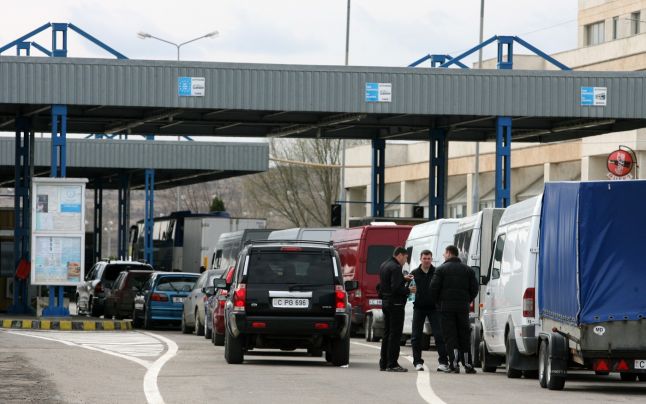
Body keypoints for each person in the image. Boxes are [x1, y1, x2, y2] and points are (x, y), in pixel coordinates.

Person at [430, 245, 479, 374]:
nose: (443, 255)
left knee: (450, 336)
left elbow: (433, 289)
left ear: (448, 253)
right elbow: (475, 289)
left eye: (444, 253)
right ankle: (468, 364)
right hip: (463, 308)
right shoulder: (468, 270)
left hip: (446, 308)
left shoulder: (441, 269)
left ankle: (454, 364)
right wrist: (467, 300)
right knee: (464, 335)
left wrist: (439, 303)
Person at [410, 249, 449, 372]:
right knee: (416, 336)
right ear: (420, 259)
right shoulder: (414, 273)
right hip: (419, 307)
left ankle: (443, 362)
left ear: (432, 259)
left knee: (439, 335)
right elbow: (409, 289)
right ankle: (417, 362)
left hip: (434, 308)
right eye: (424, 258)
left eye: (428, 259)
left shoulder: (437, 272)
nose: (426, 261)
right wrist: (412, 294)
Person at [378, 247, 415, 372]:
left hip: (386, 302)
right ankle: (392, 363)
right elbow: (396, 288)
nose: (405, 261)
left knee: (387, 333)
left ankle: (384, 362)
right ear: (400, 255)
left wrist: (403, 279)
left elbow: (387, 283)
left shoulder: (384, 264)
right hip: (396, 304)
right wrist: (409, 290)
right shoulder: (396, 267)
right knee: (395, 334)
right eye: (405, 258)